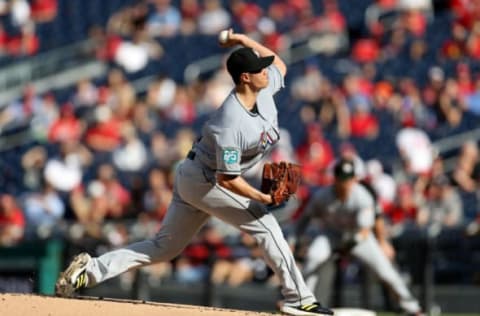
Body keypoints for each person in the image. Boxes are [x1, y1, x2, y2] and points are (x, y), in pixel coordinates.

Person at [55, 29, 333, 316]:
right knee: (266, 227)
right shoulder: (230, 121)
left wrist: (241, 41)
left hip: (195, 176)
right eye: (258, 69)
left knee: (164, 248)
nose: (267, 72)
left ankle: (89, 271)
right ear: (245, 78)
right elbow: (227, 178)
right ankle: (300, 299)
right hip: (207, 180)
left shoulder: (263, 90)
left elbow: (280, 65)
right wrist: (261, 196)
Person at [292, 158, 423, 315]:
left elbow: (365, 230)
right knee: (314, 257)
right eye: (341, 179)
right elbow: (304, 218)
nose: (345, 183)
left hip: (358, 237)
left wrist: (380, 242)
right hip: (331, 235)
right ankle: (304, 302)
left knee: (385, 270)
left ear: (354, 179)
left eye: (348, 179)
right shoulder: (323, 196)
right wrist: (295, 239)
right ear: (335, 179)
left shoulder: (362, 196)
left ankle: (412, 307)